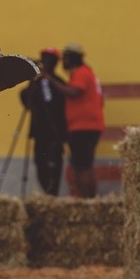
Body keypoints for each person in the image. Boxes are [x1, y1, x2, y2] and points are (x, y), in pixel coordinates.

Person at [49, 43, 105, 199]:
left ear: (72, 58)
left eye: (65, 58)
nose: (63, 62)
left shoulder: (81, 73)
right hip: (87, 126)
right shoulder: (88, 74)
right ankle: (89, 199)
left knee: (83, 166)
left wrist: (51, 80)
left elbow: (73, 92)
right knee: (83, 164)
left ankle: (89, 200)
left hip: (83, 127)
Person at [19, 47, 67, 196]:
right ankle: (46, 193)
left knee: (54, 165)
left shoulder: (58, 82)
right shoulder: (36, 82)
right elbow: (27, 99)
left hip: (55, 132)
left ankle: (53, 193)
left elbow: (59, 103)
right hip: (39, 131)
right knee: (40, 164)